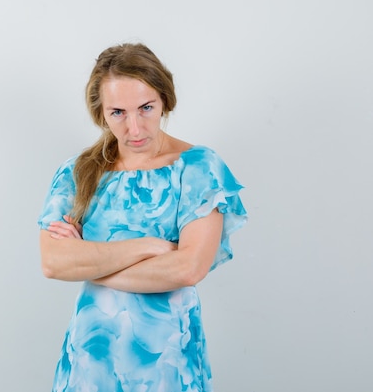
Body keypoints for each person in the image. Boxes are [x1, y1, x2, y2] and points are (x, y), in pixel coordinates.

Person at [37, 42, 248, 392]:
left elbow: (188, 269)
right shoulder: (76, 172)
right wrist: (151, 246)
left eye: (146, 108)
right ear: (101, 113)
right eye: (118, 112)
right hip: (91, 363)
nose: (134, 128)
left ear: (164, 100)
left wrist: (91, 264)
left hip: (169, 364)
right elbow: (53, 262)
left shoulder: (198, 169)